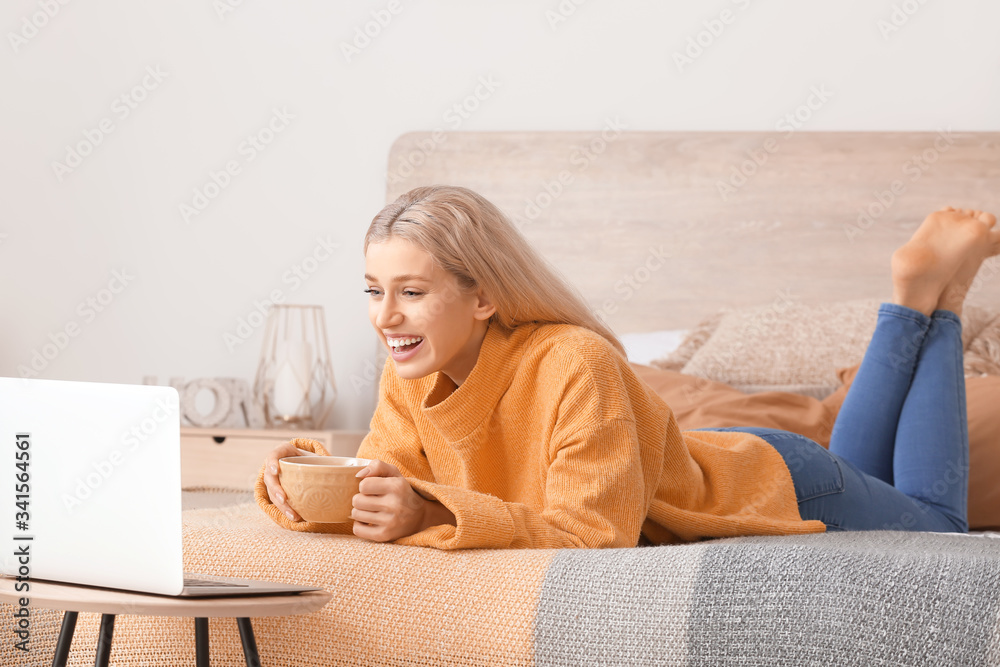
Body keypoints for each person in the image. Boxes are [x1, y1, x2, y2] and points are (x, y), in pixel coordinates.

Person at [256, 186, 1000, 549]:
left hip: (772, 478)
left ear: (482, 296)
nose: (385, 317)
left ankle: (935, 297)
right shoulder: (410, 370)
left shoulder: (574, 361)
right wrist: (304, 481)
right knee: (862, 467)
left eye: (411, 293)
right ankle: (923, 296)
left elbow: (593, 535)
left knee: (938, 527)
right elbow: (390, 482)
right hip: (720, 453)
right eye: (373, 291)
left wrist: (430, 512)